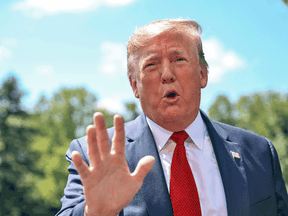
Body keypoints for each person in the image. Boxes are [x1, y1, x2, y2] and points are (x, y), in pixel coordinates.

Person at [56, 19, 288, 216]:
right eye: (151, 64)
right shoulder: (93, 153)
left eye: (179, 59)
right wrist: (94, 213)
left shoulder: (259, 152)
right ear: (135, 85)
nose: (167, 74)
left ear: (202, 74)